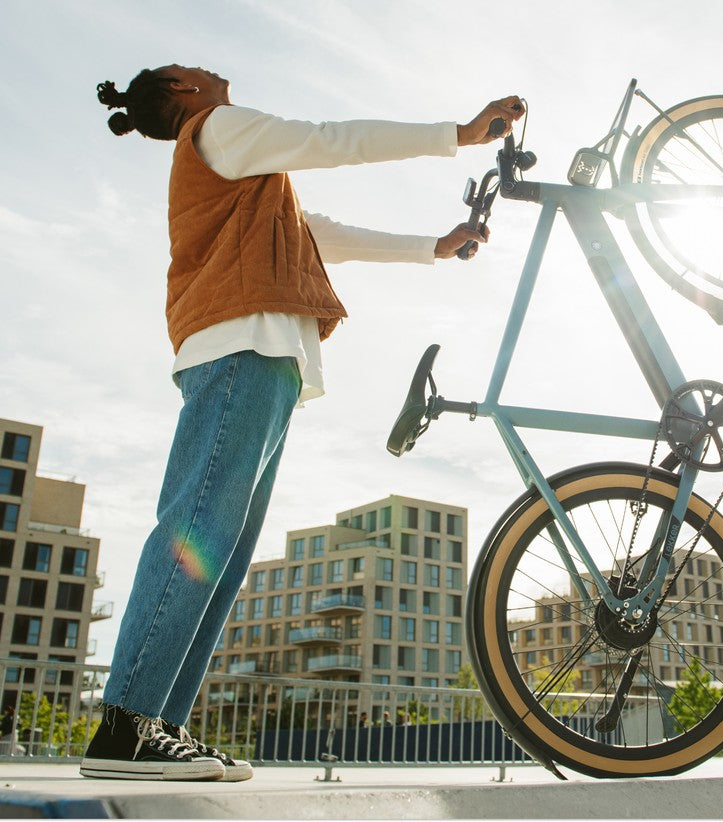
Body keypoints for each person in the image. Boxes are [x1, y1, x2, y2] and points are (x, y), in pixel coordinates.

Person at [81, 64, 522, 783]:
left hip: (265, 359)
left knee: (218, 551)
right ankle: (126, 726)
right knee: (195, 529)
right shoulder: (216, 128)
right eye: (194, 69)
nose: (211, 68)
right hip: (239, 348)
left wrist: (429, 248)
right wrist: (460, 136)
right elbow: (333, 139)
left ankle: (159, 725)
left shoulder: (246, 176)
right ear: (182, 91)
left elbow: (318, 234)